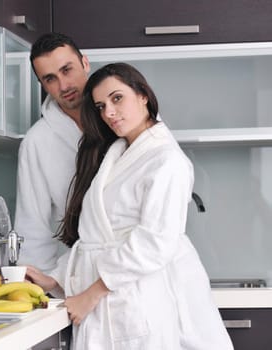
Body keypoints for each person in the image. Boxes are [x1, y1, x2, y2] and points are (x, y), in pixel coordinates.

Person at [26, 63, 233, 349]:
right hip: (110, 299)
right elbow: (97, 238)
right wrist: (54, 279)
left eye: (117, 98)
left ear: (143, 95)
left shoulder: (166, 161)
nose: (109, 112)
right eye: (100, 106)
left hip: (136, 297)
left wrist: (91, 294)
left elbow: (154, 242)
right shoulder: (118, 153)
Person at [14, 33, 90, 275]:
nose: (63, 86)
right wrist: (39, 291)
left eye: (67, 70)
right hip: (78, 275)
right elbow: (33, 225)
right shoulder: (37, 142)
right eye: (50, 79)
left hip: (143, 264)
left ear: (85, 63)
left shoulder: (122, 115)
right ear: (42, 84)